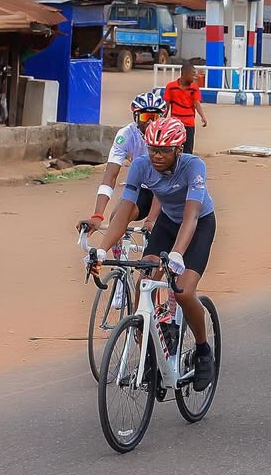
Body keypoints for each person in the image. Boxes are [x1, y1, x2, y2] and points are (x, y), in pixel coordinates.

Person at [91, 118, 217, 391]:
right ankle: (151, 354)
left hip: (197, 225)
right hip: (167, 224)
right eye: (152, 149)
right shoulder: (140, 166)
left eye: (164, 150)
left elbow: (192, 216)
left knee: (183, 291)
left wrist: (177, 254)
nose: (157, 156)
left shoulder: (194, 166)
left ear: (178, 149)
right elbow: (125, 210)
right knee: (144, 281)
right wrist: (101, 249)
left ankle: (204, 350)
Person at [85, 91, 165, 232]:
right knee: (116, 219)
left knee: (159, 229)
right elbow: (110, 176)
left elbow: (166, 180)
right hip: (145, 189)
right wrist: (98, 215)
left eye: (155, 117)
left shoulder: (168, 135)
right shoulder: (126, 135)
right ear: (136, 117)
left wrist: (151, 219)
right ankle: (118, 253)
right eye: (145, 116)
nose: (150, 122)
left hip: (168, 189)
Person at [164, 62, 207, 154]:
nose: (195, 77)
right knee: (173, 148)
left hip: (189, 124)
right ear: (184, 74)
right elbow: (166, 105)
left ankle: (187, 167)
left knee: (188, 150)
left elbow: (197, 103)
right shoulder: (170, 87)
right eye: (193, 75)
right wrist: (162, 120)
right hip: (175, 124)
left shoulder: (194, 88)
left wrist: (203, 117)